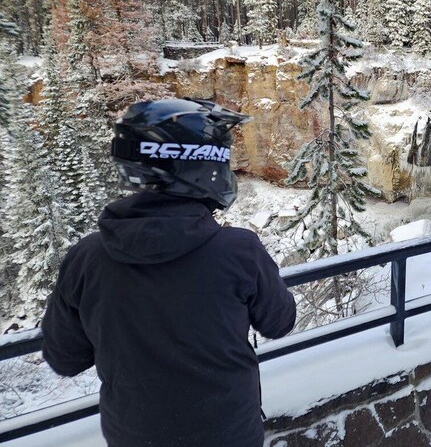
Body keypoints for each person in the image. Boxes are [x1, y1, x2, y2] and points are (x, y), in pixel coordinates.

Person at [41, 98, 296, 447]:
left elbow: (65, 358)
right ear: (196, 165)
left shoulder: (86, 258)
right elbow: (280, 322)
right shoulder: (239, 250)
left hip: (133, 436)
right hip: (228, 433)